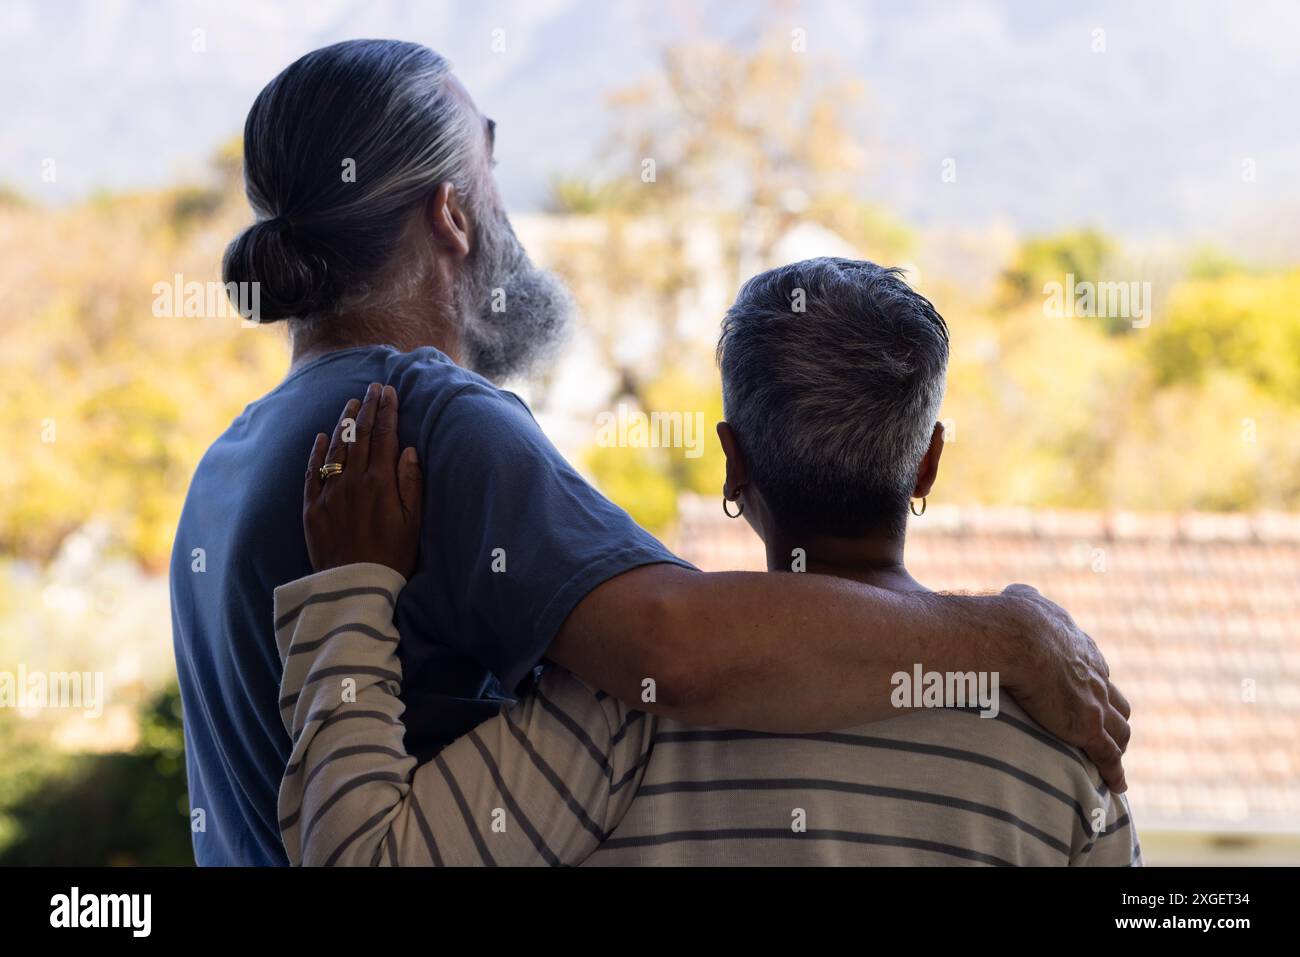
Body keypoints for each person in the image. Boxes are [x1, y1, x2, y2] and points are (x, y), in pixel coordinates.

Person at [171, 39, 1128, 866]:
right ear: (451, 213)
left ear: (734, 463)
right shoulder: (433, 417)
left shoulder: (227, 462)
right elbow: (677, 644)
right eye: (490, 167)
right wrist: (1004, 639)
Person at [273, 259, 1140, 866]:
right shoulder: (1063, 745)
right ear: (928, 461)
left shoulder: (624, 711)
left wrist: (350, 593)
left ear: (733, 460)